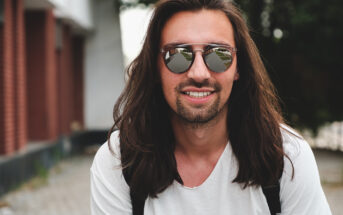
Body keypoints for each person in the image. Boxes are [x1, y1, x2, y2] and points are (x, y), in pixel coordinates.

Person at [90, 0, 332, 214]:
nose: (198, 73)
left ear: (239, 67)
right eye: (177, 55)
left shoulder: (287, 156)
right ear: (155, 69)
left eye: (219, 55)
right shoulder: (119, 162)